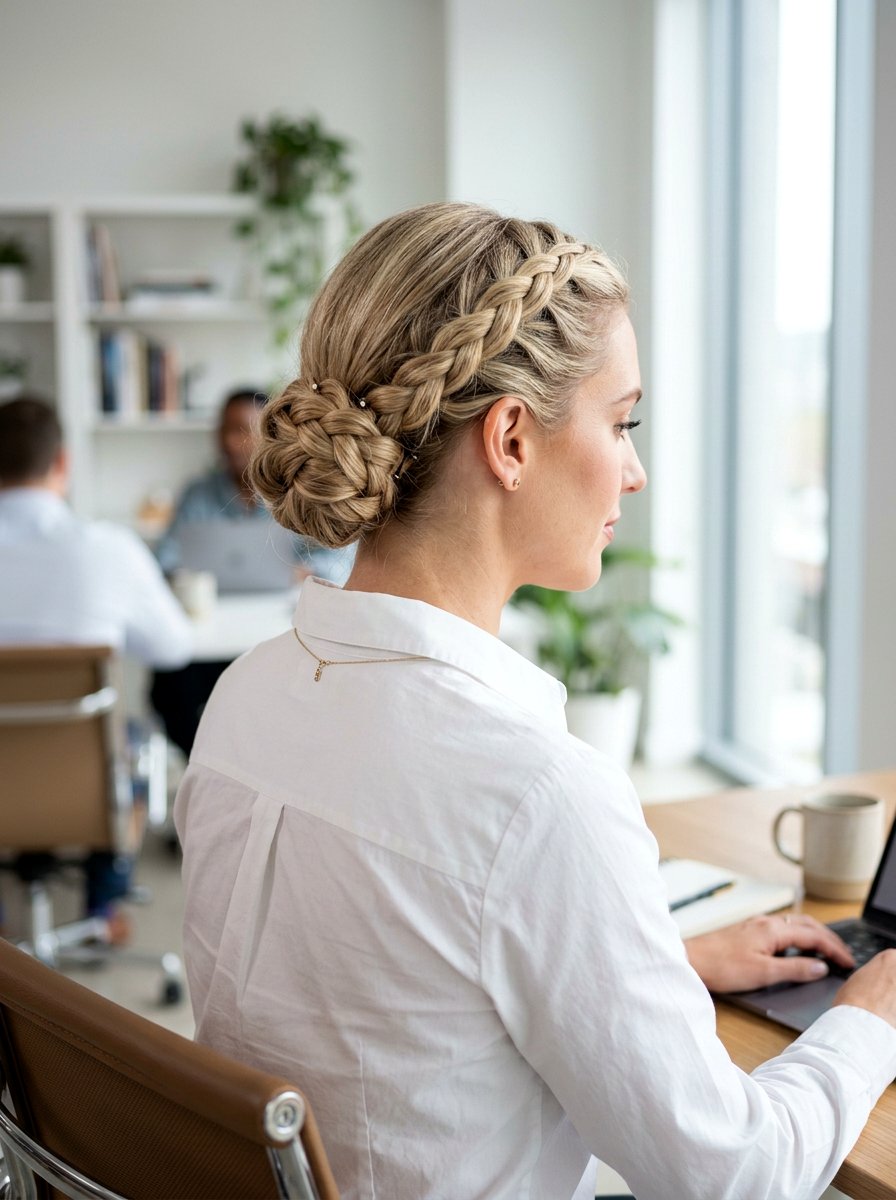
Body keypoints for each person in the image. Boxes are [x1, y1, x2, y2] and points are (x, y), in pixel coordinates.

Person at [174, 204, 896, 1200]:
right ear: (509, 438)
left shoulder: (245, 694)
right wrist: (868, 1018)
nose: (633, 471)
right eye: (621, 421)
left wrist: (647, 970)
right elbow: (739, 1173)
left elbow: (386, 998)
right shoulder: (530, 794)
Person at [0, 396, 192, 933]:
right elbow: (173, 648)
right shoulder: (108, 549)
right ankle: (101, 909)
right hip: (83, 791)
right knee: (121, 738)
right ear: (62, 463)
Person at [151, 386, 353, 758]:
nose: (231, 442)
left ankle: (257, 766)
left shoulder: (298, 491)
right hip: (211, 632)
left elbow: (339, 557)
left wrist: (304, 570)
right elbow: (165, 559)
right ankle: (215, 765)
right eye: (224, 430)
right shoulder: (197, 494)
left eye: (242, 431)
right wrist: (187, 575)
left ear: (267, 435)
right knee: (167, 689)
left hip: (275, 631)